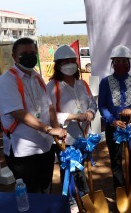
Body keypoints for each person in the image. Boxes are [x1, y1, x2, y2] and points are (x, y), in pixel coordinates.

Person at [0, 37, 66, 194]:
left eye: (32, 53)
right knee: (31, 196)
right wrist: (49, 129)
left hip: (45, 146)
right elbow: (19, 113)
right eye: (24, 53)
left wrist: (57, 129)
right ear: (14, 57)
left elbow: (49, 107)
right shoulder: (6, 81)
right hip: (24, 152)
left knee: (46, 189)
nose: (29, 56)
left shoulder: (37, 77)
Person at [46, 45, 97, 198]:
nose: (70, 65)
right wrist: (74, 116)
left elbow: (92, 103)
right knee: (70, 170)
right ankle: (72, 201)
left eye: (72, 61)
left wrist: (90, 112)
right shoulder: (52, 86)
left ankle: (83, 198)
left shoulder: (82, 84)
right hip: (65, 139)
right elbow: (50, 114)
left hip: (83, 137)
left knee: (81, 170)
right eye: (65, 61)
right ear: (58, 65)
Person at [99, 45, 131, 189]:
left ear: (129, 63)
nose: (121, 64)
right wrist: (112, 121)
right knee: (116, 159)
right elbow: (102, 106)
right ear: (112, 63)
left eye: (124, 61)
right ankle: (119, 188)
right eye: (117, 61)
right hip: (113, 128)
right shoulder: (105, 82)